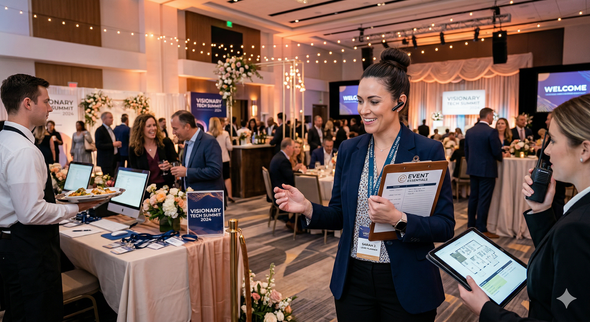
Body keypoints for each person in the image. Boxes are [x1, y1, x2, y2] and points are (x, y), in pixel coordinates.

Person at [273, 48, 454, 321]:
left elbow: (445, 225)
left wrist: (399, 219)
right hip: (354, 278)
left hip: (406, 278)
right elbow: (339, 214)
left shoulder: (428, 150)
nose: (363, 110)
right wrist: (309, 208)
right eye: (359, 101)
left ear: (399, 102)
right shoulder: (349, 149)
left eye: (373, 101)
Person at [459, 94, 590, 322]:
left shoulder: (577, 226)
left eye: (554, 141)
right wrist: (541, 212)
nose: (546, 151)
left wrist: (486, 310)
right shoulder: (578, 217)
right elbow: (561, 264)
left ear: (585, 150)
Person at [0, 74, 102, 322]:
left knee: (20, 309)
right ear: (27, 103)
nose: (51, 107)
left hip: (12, 245)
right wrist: (76, 208)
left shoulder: (6, 140)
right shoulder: (23, 150)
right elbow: (30, 213)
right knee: (38, 312)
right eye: (46, 101)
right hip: (28, 250)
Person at [465, 107, 504, 238]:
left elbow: (466, 151)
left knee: (473, 198)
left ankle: (470, 225)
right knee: (484, 200)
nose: (493, 118)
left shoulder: (470, 131)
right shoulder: (491, 132)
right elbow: (496, 152)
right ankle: (482, 228)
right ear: (488, 116)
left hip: (473, 169)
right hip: (487, 170)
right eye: (492, 116)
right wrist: (501, 156)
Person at [170, 110, 224, 191]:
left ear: (187, 127)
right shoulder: (187, 142)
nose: (173, 132)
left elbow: (215, 171)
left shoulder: (209, 141)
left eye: (175, 129)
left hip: (207, 198)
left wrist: (187, 172)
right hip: (191, 197)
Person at [128, 114, 178, 193]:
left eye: (154, 125)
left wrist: (170, 165)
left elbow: (176, 163)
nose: (153, 128)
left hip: (166, 189)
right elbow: (134, 172)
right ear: (140, 129)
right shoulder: (134, 148)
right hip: (146, 191)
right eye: (149, 126)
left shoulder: (166, 143)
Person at [269, 138, 302, 232]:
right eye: (293, 147)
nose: (294, 150)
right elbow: (291, 179)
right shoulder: (283, 160)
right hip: (281, 193)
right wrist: (300, 172)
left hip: (276, 189)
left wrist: (294, 170)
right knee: (304, 194)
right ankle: (294, 222)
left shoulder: (278, 157)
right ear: (288, 147)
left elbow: (286, 173)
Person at [208, 117, 235, 202]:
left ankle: (215, 197)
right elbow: (230, 148)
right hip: (224, 159)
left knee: (214, 178)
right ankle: (230, 195)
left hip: (212, 160)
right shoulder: (225, 133)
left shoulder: (207, 135)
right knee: (227, 177)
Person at [95, 112, 122, 177]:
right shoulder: (100, 130)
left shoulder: (111, 129)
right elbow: (99, 145)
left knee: (113, 177)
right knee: (107, 178)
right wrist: (112, 144)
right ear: (104, 119)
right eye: (110, 118)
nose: (112, 119)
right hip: (106, 160)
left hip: (113, 158)